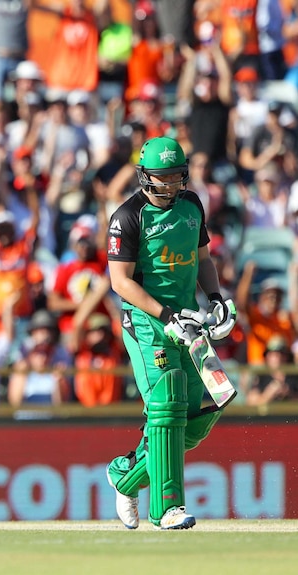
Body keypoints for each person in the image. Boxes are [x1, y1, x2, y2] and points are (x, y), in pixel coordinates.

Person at [103, 137, 237, 530]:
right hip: (147, 321)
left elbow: (203, 259)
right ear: (145, 176)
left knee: (204, 409)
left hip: (190, 321)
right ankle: (166, 509)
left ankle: (125, 476)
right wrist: (165, 315)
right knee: (167, 404)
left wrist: (216, 299)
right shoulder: (127, 217)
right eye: (162, 178)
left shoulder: (192, 204)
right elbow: (120, 282)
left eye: (176, 176)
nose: (170, 185)